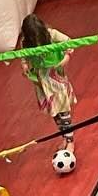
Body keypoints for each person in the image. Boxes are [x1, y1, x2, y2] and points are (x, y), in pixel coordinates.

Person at [17, 13, 77, 166]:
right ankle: (65, 136)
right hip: (41, 80)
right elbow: (23, 56)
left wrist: (66, 58)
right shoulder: (25, 42)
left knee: (63, 110)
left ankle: (70, 140)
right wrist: (25, 66)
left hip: (56, 76)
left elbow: (69, 42)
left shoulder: (52, 34)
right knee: (54, 111)